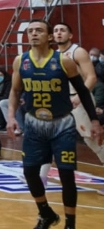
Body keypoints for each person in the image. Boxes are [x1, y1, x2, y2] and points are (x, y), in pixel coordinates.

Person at [6, 20, 103, 229]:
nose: (33, 34)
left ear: (49, 37)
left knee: (66, 174)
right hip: (33, 124)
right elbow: (15, 91)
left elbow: (84, 91)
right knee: (30, 172)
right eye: (30, 31)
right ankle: (45, 213)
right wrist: (11, 116)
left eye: (39, 30)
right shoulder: (20, 61)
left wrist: (94, 120)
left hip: (62, 124)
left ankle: (70, 224)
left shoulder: (64, 61)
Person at [46, 22, 104, 193]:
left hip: (79, 100)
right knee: (48, 138)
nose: (58, 33)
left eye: (62, 30)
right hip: (60, 102)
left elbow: (91, 78)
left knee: (93, 139)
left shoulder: (78, 52)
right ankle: (40, 177)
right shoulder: (54, 54)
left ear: (70, 35)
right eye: (55, 30)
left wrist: (80, 96)